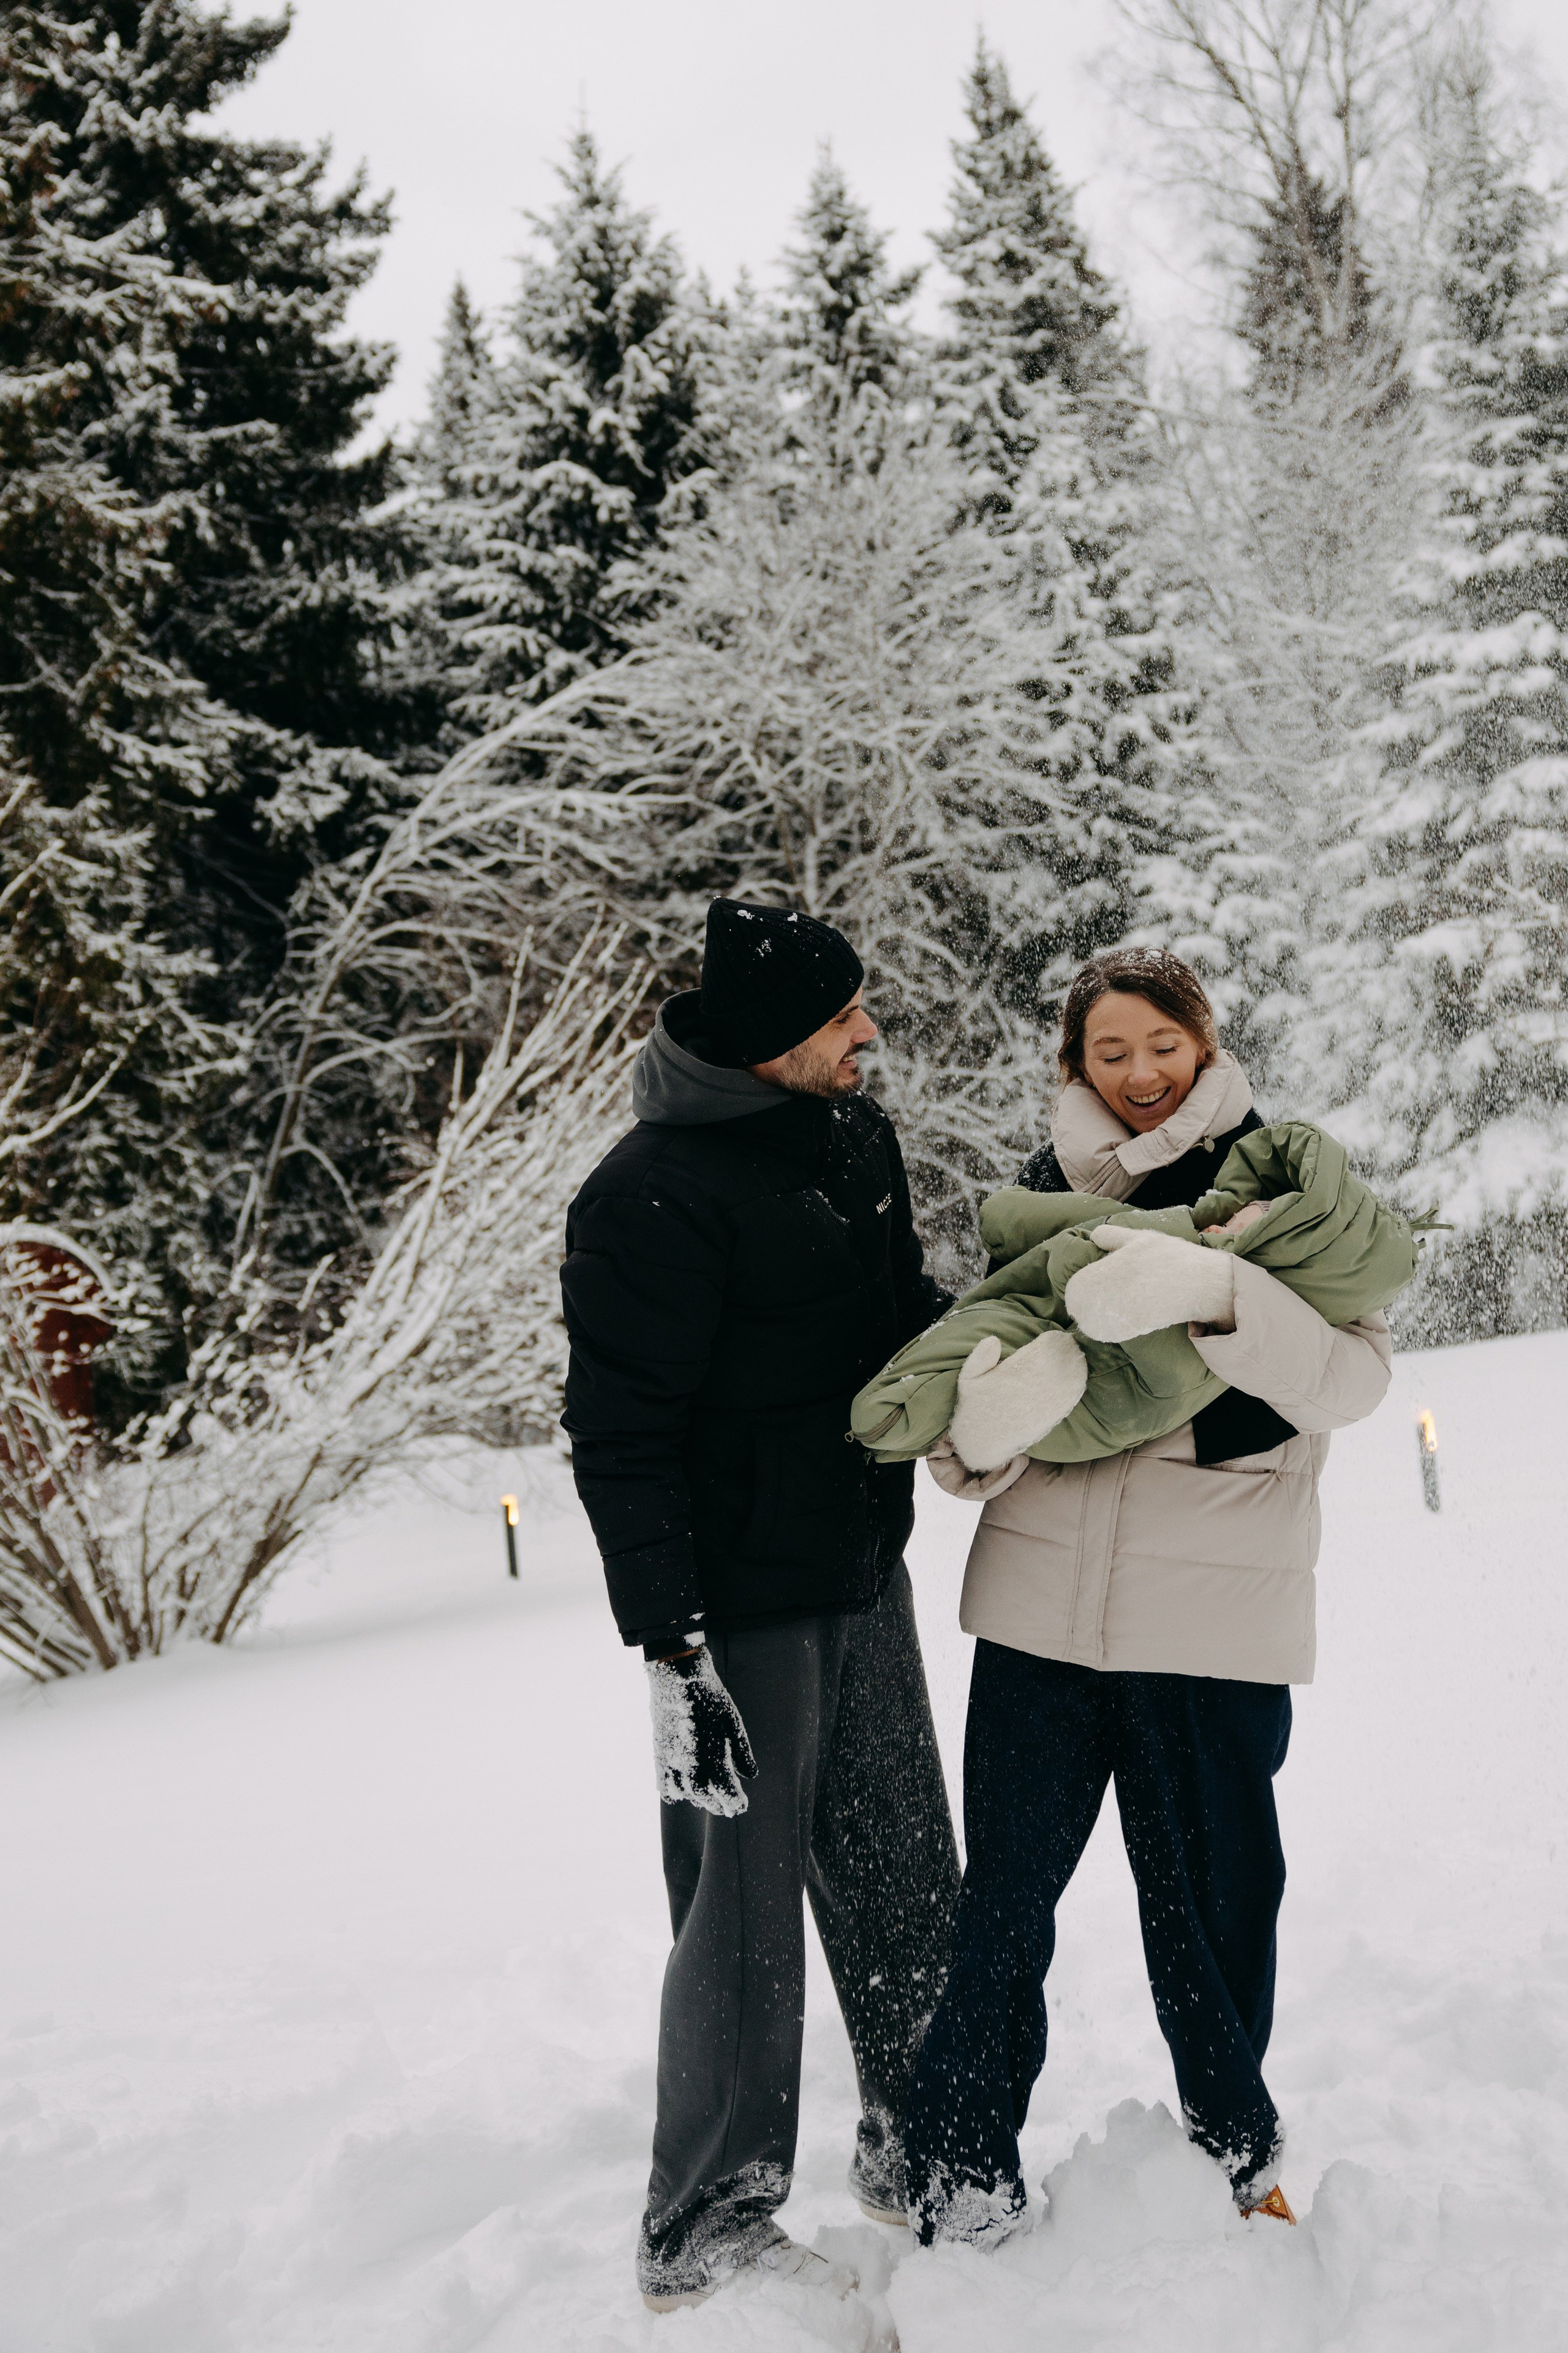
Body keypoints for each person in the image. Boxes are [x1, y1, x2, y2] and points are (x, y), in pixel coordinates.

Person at [901, 945, 1393, 2243]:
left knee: (1212, 1907)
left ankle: (1239, 2158)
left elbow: (1352, 1382)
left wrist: (1220, 1290)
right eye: (1106, 1054)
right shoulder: (1032, 1202)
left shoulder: (1278, 1181)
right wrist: (983, 1429)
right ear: (1073, 1063)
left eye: (1158, 1048)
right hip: (1035, 1619)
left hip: (1209, 1618)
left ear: (1204, 1039)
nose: (1135, 1077)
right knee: (1000, 1903)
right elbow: (966, 1420)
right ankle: (958, 2170)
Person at [560, 899, 960, 2314]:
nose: (868, 1033)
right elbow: (620, 1437)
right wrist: (671, 1654)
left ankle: (930, 2144)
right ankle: (704, 2222)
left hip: (858, 1567)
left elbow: (896, 1310)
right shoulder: (645, 1196)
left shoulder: (851, 1137)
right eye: (843, 1015)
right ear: (772, 1040)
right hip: (730, 1614)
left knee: (908, 1865)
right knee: (737, 1915)